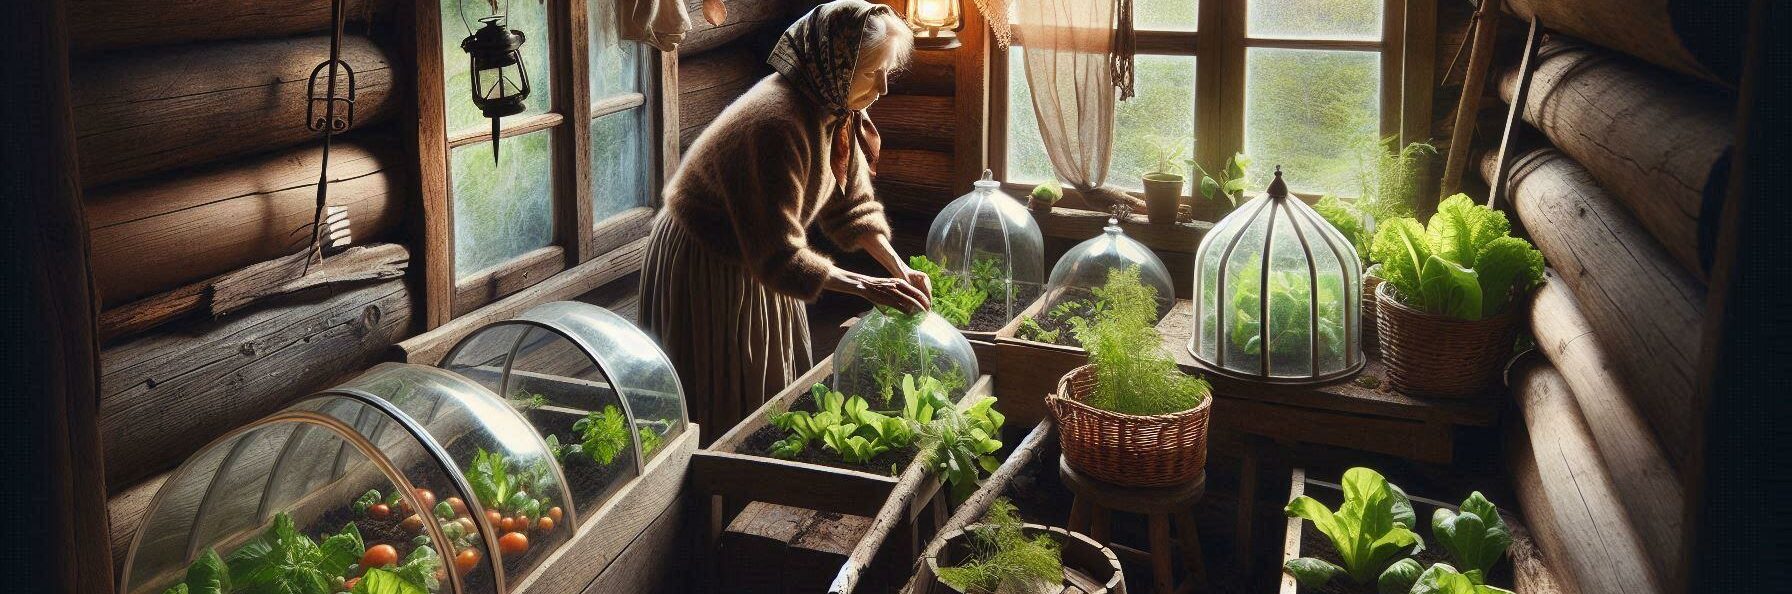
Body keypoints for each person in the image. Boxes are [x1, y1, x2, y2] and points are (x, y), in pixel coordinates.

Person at [639, 0, 929, 441]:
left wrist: (898, 267)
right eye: (873, 73)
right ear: (837, 66)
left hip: (759, 255)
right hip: (709, 258)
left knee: (769, 386)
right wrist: (868, 286)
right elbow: (778, 256)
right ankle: (718, 499)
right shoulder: (777, 124)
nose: (884, 88)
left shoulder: (833, 107)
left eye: (889, 71)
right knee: (728, 396)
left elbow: (853, 206)